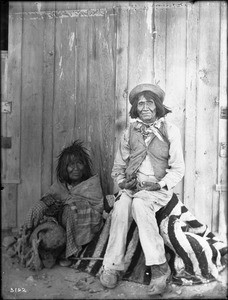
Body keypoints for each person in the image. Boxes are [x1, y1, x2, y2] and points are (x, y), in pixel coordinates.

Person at [100, 83, 185, 295]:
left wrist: (161, 183)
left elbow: (178, 169)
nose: (145, 107)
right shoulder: (130, 132)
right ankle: (112, 267)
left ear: (157, 106)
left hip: (156, 189)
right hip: (133, 186)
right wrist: (121, 182)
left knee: (139, 204)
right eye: (140, 104)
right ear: (135, 109)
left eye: (149, 103)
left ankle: (159, 269)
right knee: (120, 207)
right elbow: (118, 167)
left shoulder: (171, 131)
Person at [21, 140, 104, 267]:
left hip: (81, 224)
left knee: (71, 209)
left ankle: (68, 253)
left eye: (79, 163)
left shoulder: (91, 184)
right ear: (64, 168)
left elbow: (97, 209)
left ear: (85, 166)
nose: (75, 168)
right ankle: (24, 241)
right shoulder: (61, 185)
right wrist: (48, 202)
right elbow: (49, 198)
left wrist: (68, 203)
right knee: (38, 206)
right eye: (70, 164)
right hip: (58, 222)